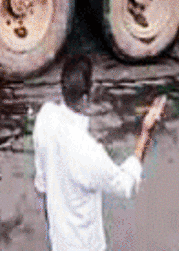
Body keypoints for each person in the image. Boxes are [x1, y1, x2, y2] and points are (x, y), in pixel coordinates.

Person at [32, 55, 167, 251]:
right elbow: (126, 184)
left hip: (58, 241)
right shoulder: (88, 153)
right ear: (86, 97)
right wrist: (146, 132)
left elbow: (42, 185)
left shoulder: (45, 117)